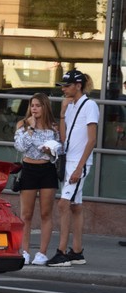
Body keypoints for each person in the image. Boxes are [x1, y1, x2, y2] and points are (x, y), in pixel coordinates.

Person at [47, 70, 99, 267]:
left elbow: (92, 139)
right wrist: (61, 114)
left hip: (79, 162)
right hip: (68, 161)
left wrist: (79, 168)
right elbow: (63, 136)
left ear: (78, 86)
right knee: (76, 207)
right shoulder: (69, 105)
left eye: (67, 86)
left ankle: (61, 252)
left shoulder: (90, 105)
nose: (64, 89)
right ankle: (77, 251)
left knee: (63, 205)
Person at [14, 93, 61, 266]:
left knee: (46, 213)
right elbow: (20, 147)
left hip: (47, 169)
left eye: (38, 105)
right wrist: (31, 130)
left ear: (45, 107)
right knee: (26, 214)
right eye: (32, 105)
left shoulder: (53, 127)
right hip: (29, 169)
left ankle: (42, 253)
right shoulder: (23, 124)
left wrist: (51, 151)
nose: (34, 108)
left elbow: (59, 150)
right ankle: (25, 251)